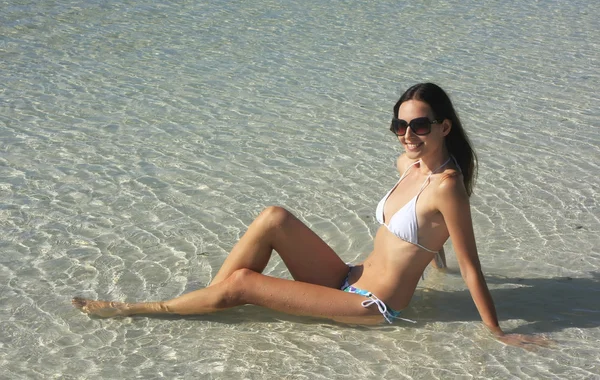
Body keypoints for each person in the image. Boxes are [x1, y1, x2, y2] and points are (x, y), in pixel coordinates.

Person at [73, 83, 550, 349]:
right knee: (274, 217)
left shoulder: (448, 186)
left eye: (420, 125)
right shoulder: (408, 164)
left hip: (372, 305)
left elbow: (470, 262)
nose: (408, 134)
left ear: (443, 126)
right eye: (400, 124)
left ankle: (143, 309)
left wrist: (499, 333)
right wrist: (433, 264)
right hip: (347, 275)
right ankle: (211, 300)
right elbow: (428, 233)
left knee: (242, 283)